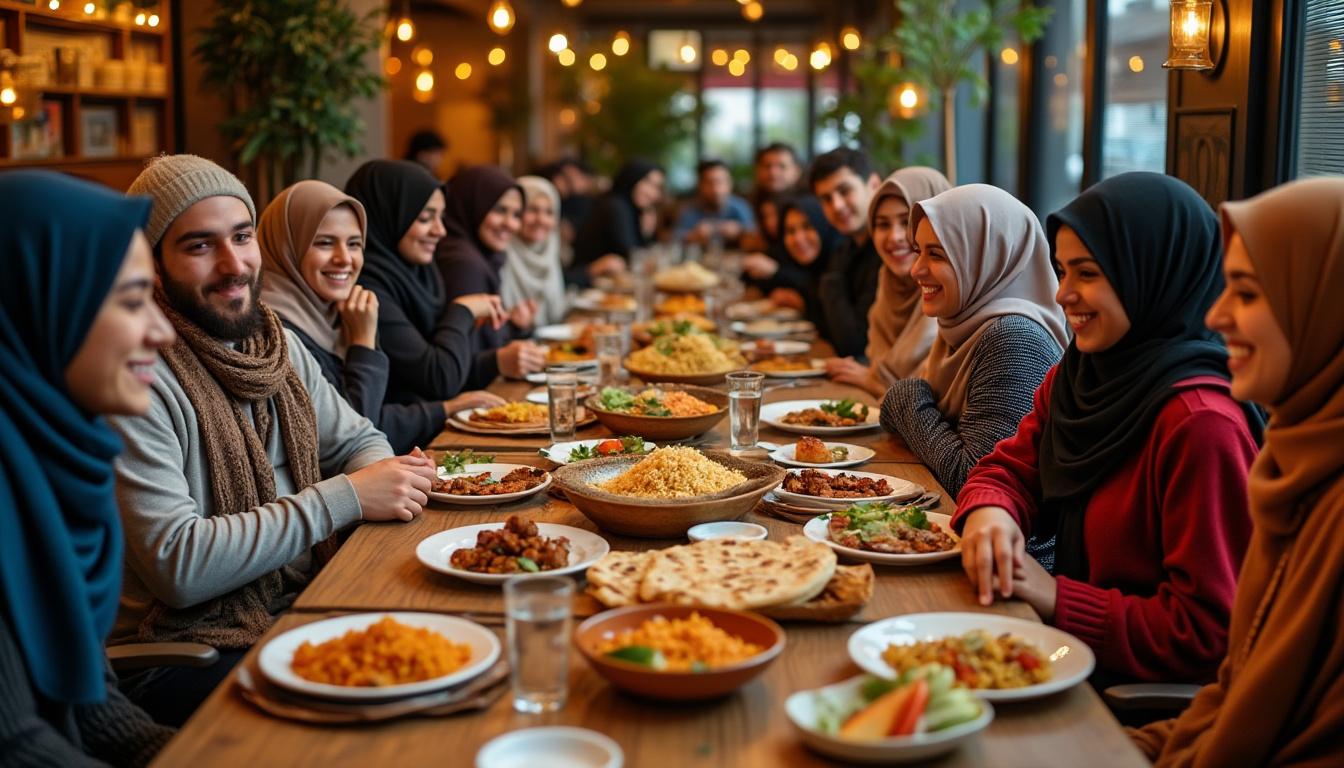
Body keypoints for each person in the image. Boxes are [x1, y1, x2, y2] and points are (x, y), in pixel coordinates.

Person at [111, 155, 438, 725]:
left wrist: (378, 481)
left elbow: (360, 439)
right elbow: (179, 566)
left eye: (242, 237)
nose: (233, 264)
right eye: (199, 245)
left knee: (432, 651)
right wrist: (348, 498)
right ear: (153, 265)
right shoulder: (135, 374)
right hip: (181, 652)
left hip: (299, 604)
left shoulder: (273, 341)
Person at [953, 173, 1260, 685]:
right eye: (1061, 271)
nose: (1062, 294)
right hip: (1064, 656)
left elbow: (1208, 633)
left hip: (1129, 699)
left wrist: (1056, 596)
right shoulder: (1080, 375)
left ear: (1151, 272)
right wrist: (991, 512)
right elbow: (1007, 469)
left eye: (1087, 273)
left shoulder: (1201, 424)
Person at [1133, 177, 1344, 766]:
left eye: (1247, 293)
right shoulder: (1291, 462)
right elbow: (1231, 695)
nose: (1217, 314)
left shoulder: (1209, 421)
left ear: (1325, 308)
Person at [0, 171, 176, 766]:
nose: (162, 331)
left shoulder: (61, 453)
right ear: (39, 303)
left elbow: (89, 702)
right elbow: (16, 747)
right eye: (131, 301)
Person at [259, 180, 480, 453]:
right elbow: (351, 437)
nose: (344, 258)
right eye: (325, 243)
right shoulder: (274, 336)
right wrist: (363, 343)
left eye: (354, 244)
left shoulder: (342, 312)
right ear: (286, 247)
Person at [879, 184, 1068, 500]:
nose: (916, 270)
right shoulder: (962, 326)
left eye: (936, 254)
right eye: (918, 251)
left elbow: (975, 481)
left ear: (987, 256)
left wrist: (905, 398)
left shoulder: (1015, 340)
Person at [345, 160, 511, 401]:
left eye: (441, 217)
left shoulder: (423, 274)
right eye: (425, 218)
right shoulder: (367, 288)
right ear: (389, 215)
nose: (440, 231)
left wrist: (495, 357)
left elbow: (452, 364)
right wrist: (462, 311)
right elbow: (440, 379)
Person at [827, 167, 949, 397]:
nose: (895, 236)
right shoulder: (888, 283)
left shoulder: (952, 300)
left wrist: (875, 384)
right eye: (883, 224)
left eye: (907, 222)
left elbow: (936, 404)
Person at [435, 165, 546, 380]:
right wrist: (498, 360)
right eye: (499, 210)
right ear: (472, 205)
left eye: (516, 214)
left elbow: (480, 339)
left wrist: (514, 326)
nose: (510, 224)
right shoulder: (464, 263)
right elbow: (458, 363)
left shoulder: (481, 256)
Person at [809, 147, 884, 358]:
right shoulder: (844, 248)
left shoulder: (892, 253)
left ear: (874, 185)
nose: (837, 206)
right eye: (826, 199)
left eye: (844, 191)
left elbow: (853, 343)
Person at [570, 160, 665, 287]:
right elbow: (632, 255)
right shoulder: (616, 206)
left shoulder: (630, 208)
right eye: (648, 183)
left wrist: (646, 231)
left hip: (604, 283)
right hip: (586, 284)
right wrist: (645, 234)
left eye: (657, 187)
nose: (653, 193)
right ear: (633, 177)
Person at [768, 196, 845, 340]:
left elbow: (846, 339)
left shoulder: (840, 268)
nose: (798, 238)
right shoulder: (814, 271)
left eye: (808, 227)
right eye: (790, 231)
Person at [502, 175, 569, 327]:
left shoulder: (549, 251)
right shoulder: (499, 254)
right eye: (532, 209)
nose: (541, 220)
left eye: (549, 212)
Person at [673, 159, 755, 249]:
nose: (716, 189)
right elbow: (675, 238)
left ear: (730, 183)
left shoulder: (741, 207)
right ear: (700, 185)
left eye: (720, 182)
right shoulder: (689, 210)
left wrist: (741, 232)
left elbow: (755, 234)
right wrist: (693, 236)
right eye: (709, 183)